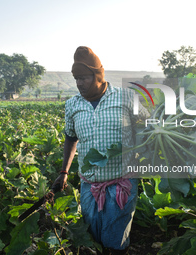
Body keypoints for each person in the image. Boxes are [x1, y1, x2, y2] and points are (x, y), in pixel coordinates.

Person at [52, 46, 147, 255]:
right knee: (93, 240)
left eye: (83, 78)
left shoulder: (126, 98)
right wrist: (64, 172)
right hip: (89, 186)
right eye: (75, 78)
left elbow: (147, 129)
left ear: (98, 76)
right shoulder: (72, 105)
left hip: (122, 183)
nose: (78, 83)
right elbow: (70, 137)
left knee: (116, 243)